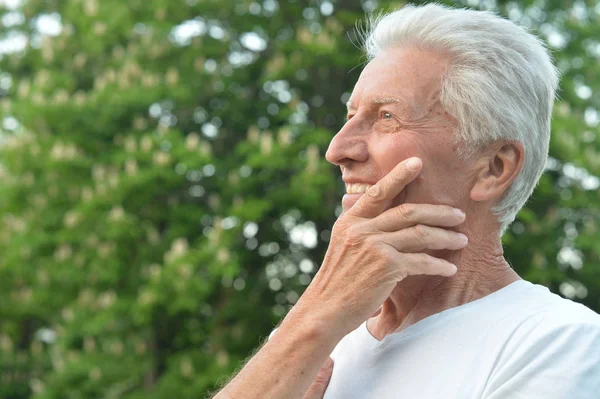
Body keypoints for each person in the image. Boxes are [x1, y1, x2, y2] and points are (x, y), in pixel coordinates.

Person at [213, 4, 600, 398]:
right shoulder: (312, 337)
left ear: (493, 168)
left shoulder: (558, 342)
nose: (338, 149)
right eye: (349, 116)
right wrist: (314, 316)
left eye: (386, 117)